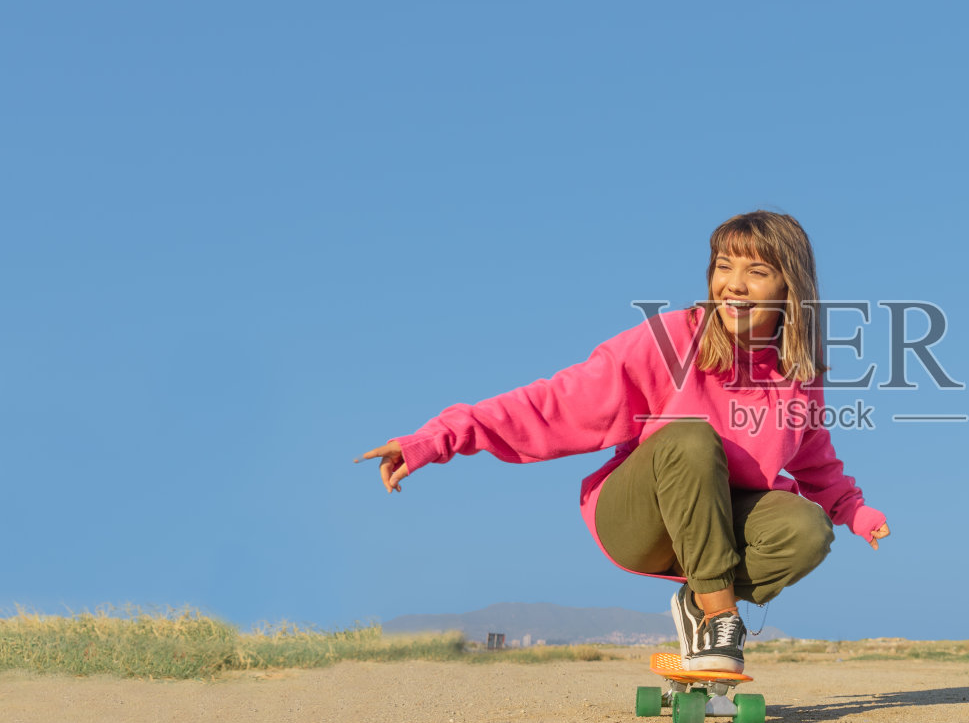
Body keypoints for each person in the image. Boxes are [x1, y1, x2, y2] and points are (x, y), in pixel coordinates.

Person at [357, 210, 890, 673]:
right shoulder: (671, 339)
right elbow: (554, 402)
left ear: (789, 287)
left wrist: (854, 512)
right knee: (688, 437)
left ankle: (701, 601)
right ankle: (722, 616)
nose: (734, 284)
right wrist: (437, 438)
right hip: (638, 517)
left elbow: (815, 461)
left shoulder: (796, 376)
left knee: (806, 530)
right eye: (723, 267)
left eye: (756, 271)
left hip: (719, 525)